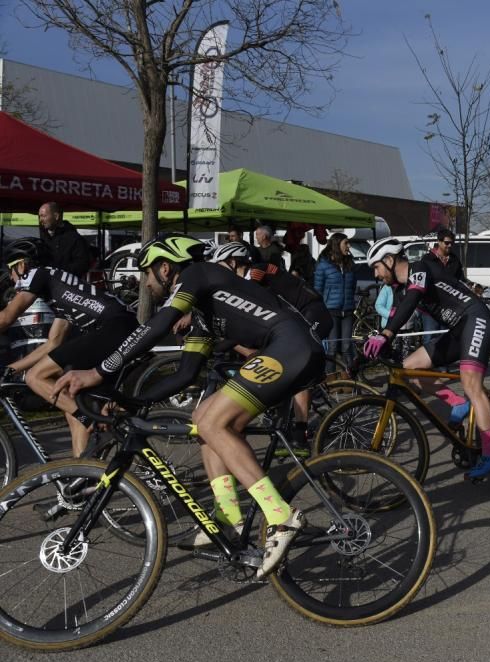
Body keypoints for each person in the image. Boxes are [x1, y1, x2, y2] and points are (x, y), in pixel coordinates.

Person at [53, 234, 325, 578]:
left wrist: (98, 371)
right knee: (202, 418)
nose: (144, 282)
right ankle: (228, 517)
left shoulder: (198, 274)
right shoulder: (204, 314)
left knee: (215, 423)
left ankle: (280, 516)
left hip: (291, 346)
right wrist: (134, 402)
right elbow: (185, 374)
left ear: (165, 268)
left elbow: (159, 325)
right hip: (285, 349)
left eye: (146, 273)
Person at [362, 238, 490, 478]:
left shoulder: (420, 269)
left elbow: (413, 301)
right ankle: (459, 403)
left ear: (389, 260)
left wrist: (387, 334)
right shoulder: (402, 288)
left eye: (376, 267)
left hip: (477, 319)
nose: (375, 274)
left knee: (471, 383)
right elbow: (398, 313)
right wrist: (366, 353)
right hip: (459, 329)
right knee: (409, 369)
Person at [0, 237, 138, 457]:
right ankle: (83, 476)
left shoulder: (38, 275)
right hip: (121, 326)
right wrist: (13, 368)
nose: (11, 277)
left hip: (112, 327)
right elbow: (53, 343)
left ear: (22, 265)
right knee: (72, 400)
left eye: (10, 269)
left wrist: (22, 372)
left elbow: (5, 319)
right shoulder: (60, 286)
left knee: (36, 377)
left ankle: (91, 420)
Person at [206, 240, 333, 450]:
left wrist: (224, 343)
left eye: (219, 266)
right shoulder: (245, 278)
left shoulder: (256, 271)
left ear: (232, 262)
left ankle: (300, 433)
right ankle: (284, 414)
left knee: (295, 363)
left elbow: (247, 300)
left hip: (314, 312)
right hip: (295, 319)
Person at [314, 232, 357, 372]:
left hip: (348, 311)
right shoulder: (323, 264)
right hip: (331, 311)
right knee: (332, 348)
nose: (349, 246)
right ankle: (331, 381)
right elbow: (317, 289)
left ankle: (349, 379)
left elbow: (353, 286)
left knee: (346, 347)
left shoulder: (350, 263)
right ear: (337, 244)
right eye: (346, 243)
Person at [37, 201, 91, 278]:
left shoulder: (75, 238)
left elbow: (82, 265)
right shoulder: (44, 237)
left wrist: (58, 271)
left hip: (67, 286)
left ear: (56, 216)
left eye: (44, 216)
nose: (41, 220)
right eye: (40, 216)